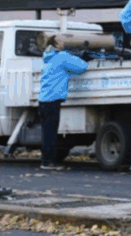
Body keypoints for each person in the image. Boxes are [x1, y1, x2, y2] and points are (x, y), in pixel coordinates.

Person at [39, 35, 88, 170]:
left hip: (44, 100)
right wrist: (82, 58)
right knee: (51, 133)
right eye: (60, 41)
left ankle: (46, 160)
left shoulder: (47, 58)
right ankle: (49, 163)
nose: (63, 42)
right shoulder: (61, 57)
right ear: (56, 44)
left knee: (47, 133)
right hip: (53, 100)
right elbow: (82, 67)